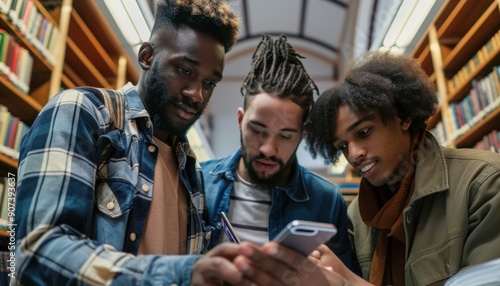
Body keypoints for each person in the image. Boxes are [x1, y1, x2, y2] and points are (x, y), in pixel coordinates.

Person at [13, 1, 312, 285]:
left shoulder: (190, 170)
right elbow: (37, 250)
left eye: (209, 83)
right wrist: (183, 273)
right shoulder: (84, 112)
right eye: (184, 70)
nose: (197, 94)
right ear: (147, 57)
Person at [303, 51, 500, 285]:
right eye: (343, 146)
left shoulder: (483, 183)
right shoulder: (357, 218)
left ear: (403, 117)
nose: (354, 155)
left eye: (364, 132)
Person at [200, 34, 354, 269]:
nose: (268, 149)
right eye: (258, 130)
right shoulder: (199, 182)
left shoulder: (327, 201)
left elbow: (345, 279)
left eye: (284, 136)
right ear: (240, 120)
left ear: (302, 134)